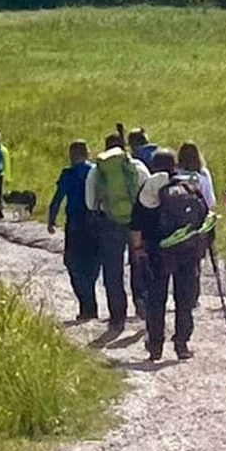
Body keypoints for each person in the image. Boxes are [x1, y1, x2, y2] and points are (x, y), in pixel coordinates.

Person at [132, 153, 210, 362]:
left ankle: (155, 346)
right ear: (175, 165)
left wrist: (138, 248)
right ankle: (182, 343)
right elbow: (204, 217)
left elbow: (136, 223)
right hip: (186, 250)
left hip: (157, 252)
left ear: (154, 166)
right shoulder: (189, 187)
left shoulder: (149, 188)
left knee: (156, 299)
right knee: (184, 298)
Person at [89, 136, 146, 330]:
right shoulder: (138, 167)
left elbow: (90, 202)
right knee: (139, 262)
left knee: (113, 270)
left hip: (110, 222)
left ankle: (117, 316)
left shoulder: (97, 170)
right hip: (138, 222)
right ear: (125, 149)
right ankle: (142, 304)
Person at [47, 140, 101, 323]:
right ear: (87, 153)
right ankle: (91, 302)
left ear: (71, 154)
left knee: (73, 263)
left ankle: (86, 306)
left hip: (75, 223)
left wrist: (51, 219)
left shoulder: (67, 174)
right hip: (95, 222)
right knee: (92, 262)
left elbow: (58, 198)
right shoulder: (97, 171)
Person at [175, 141, 216, 212]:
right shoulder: (203, 173)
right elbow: (210, 201)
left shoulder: (175, 173)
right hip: (200, 213)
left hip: (179, 214)